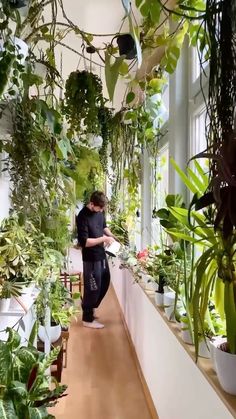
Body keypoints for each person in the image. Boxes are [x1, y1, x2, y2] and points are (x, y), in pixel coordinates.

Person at [76, 191, 115, 329]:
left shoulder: (99, 211)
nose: (101, 210)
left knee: (104, 281)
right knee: (93, 287)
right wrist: (104, 239)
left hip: (101, 254)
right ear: (92, 204)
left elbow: (103, 227)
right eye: (100, 208)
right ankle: (87, 318)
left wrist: (112, 236)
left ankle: (90, 308)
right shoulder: (82, 216)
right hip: (90, 257)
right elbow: (84, 242)